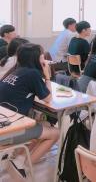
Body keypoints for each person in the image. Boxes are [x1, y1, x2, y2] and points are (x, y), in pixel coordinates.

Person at [0, 43, 59, 178]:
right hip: (10, 129)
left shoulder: (16, 71)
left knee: (45, 125)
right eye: (42, 55)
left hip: (5, 123)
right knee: (56, 133)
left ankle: (18, 158)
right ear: (36, 58)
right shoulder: (32, 74)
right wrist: (47, 75)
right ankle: (22, 166)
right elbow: (48, 98)